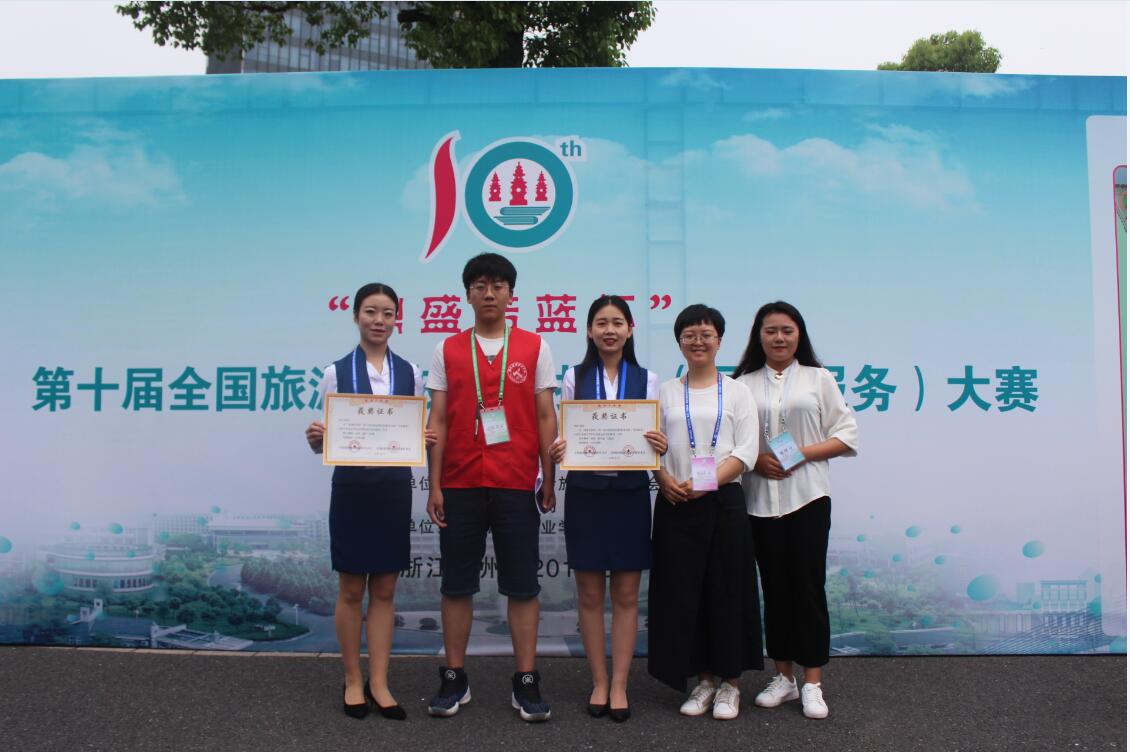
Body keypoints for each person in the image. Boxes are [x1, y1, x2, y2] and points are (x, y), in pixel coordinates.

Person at [424, 252, 558, 723]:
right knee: (456, 584)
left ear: (510, 294)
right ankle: (454, 676)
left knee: (522, 585)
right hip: (459, 481)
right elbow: (438, 420)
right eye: (479, 285)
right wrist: (434, 484)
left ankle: (526, 680)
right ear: (467, 294)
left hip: (516, 481)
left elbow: (545, 416)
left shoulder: (535, 347)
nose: (489, 293)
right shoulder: (446, 350)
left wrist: (549, 478)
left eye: (498, 285)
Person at [304, 282, 432, 721]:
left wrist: (422, 437)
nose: (379, 321)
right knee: (351, 588)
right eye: (371, 312)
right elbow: (327, 441)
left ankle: (380, 681)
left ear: (397, 319)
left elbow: (413, 430)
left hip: (393, 488)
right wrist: (316, 439)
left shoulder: (411, 373)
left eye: (388, 313)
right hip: (352, 489)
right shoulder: (336, 372)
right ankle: (353, 678)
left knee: (385, 588)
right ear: (356, 316)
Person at [733, 301, 859, 720]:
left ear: (799, 334)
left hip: (808, 498)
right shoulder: (742, 384)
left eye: (787, 330)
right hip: (759, 502)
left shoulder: (818, 379)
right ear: (759, 336)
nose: (779, 338)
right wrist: (756, 460)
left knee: (807, 589)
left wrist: (799, 453)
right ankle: (783, 677)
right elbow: (731, 443)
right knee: (773, 590)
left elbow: (846, 435)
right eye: (771, 330)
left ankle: (812, 683)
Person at [549, 296, 668, 723]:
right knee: (589, 594)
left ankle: (619, 683)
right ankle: (598, 680)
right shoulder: (574, 377)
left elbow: (655, 435)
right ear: (589, 330)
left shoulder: (648, 380)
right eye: (601, 322)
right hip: (585, 494)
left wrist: (660, 444)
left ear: (630, 329)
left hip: (630, 494)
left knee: (626, 595)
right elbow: (564, 432)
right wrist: (560, 446)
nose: (609, 330)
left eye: (618, 322)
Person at [647, 304, 763, 720]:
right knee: (683, 594)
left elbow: (746, 452)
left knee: (727, 591)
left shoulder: (737, 391)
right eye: (689, 335)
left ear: (719, 340)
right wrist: (662, 478)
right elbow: (649, 445)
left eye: (706, 334)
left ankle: (730, 683)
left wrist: (705, 482)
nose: (698, 342)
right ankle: (703, 681)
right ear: (679, 342)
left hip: (723, 501)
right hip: (675, 500)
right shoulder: (665, 391)